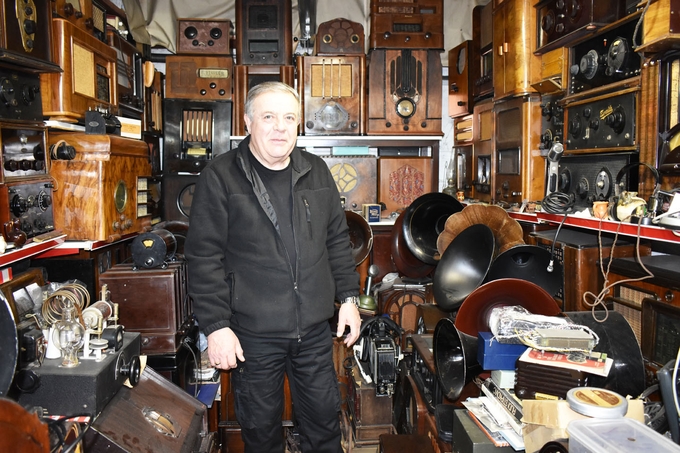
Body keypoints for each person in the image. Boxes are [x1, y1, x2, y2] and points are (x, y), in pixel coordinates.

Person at [184, 81, 362, 453]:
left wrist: (348, 298)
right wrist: (216, 326)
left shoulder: (316, 171)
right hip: (253, 336)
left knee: (324, 428)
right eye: (268, 117)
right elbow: (203, 257)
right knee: (261, 434)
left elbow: (336, 240)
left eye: (289, 118)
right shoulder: (220, 176)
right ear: (248, 122)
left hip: (313, 332)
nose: (280, 127)